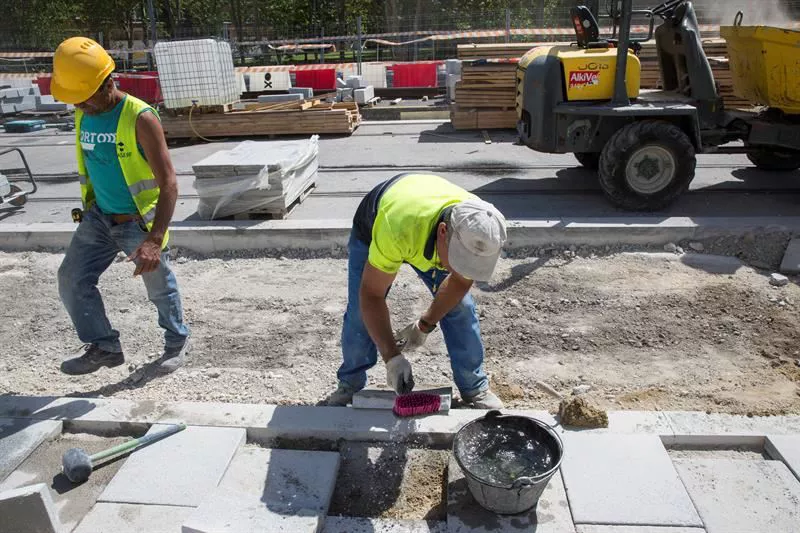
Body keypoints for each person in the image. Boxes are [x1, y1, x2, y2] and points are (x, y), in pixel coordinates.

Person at [51, 37, 190, 375]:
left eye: (84, 97)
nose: (79, 104)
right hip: (99, 217)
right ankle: (105, 347)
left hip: (136, 222)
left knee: (159, 287)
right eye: (75, 99)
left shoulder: (140, 117)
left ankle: (177, 341)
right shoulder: (84, 114)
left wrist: (154, 239)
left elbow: (170, 183)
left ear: (107, 83)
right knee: (72, 278)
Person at [326, 173, 508, 409]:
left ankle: (474, 386)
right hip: (383, 219)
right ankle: (350, 384)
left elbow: (460, 283)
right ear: (443, 232)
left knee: (461, 307)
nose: (460, 270)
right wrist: (392, 357)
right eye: (458, 260)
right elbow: (371, 295)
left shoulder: (481, 229)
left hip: (421, 218)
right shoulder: (397, 227)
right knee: (360, 313)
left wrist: (424, 324)